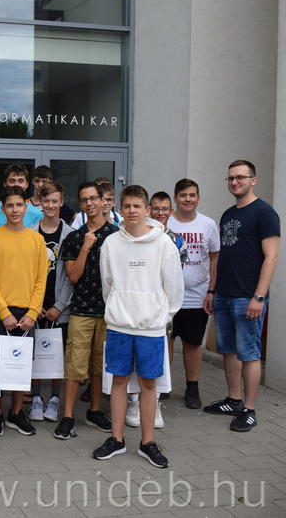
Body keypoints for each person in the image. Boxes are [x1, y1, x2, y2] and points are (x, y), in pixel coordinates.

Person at [92, 185, 183, 468]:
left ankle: (147, 443)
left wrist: (160, 317)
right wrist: (118, 309)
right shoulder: (111, 243)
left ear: (147, 210)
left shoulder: (163, 243)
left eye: (137, 206)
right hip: (119, 325)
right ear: (120, 209)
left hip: (151, 328)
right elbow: (107, 284)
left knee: (148, 384)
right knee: (118, 381)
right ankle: (117, 439)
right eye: (127, 206)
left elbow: (174, 287)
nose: (132, 211)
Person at [204, 160, 280, 432]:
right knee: (228, 349)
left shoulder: (264, 213)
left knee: (249, 353)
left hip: (248, 296)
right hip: (224, 293)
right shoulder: (228, 214)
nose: (234, 182)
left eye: (240, 177)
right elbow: (222, 256)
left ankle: (249, 410)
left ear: (253, 180)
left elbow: (271, 257)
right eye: (230, 178)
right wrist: (212, 290)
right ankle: (233, 401)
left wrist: (259, 296)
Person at [0, 186, 47, 437]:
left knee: (21, 366)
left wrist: (33, 312)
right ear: (2, 209)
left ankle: (16, 413)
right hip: (1, 312)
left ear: (26, 207)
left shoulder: (37, 240)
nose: (15, 210)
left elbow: (41, 279)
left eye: (19, 205)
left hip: (27, 313)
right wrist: (2, 311)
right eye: (10, 205)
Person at [54, 181, 118, 440]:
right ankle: (68, 416)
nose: (89, 203)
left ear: (103, 201)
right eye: (84, 200)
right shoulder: (74, 237)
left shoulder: (117, 235)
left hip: (109, 312)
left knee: (99, 366)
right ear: (80, 204)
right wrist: (85, 247)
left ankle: (94, 411)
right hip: (81, 311)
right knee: (74, 365)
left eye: (94, 198)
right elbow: (73, 276)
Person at [122, 190, 187, 429]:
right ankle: (134, 401)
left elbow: (174, 280)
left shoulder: (174, 240)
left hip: (158, 313)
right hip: (129, 313)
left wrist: (166, 312)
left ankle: (155, 402)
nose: (160, 212)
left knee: (156, 360)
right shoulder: (126, 236)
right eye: (156, 208)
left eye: (164, 209)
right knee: (131, 360)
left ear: (171, 211)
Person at [166, 179, 219, 410]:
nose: (188, 199)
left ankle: (192, 388)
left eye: (192, 195)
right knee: (166, 341)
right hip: (167, 296)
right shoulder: (165, 222)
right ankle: (163, 386)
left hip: (197, 295)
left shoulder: (208, 224)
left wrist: (211, 290)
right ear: (175, 198)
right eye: (183, 195)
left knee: (192, 343)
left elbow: (215, 259)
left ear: (198, 198)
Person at [28, 181, 75, 423]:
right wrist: (34, 305)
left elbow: (71, 276)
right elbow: (26, 273)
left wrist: (59, 305)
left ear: (61, 203)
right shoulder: (30, 233)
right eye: (46, 201)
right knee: (35, 352)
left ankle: (55, 399)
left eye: (54, 201)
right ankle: (36, 398)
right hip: (35, 305)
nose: (50, 205)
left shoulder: (70, 235)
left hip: (60, 305)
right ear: (41, 203)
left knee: (57, 354)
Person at [0, 164, 43, 234]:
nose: (16, 185)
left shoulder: (37, 214)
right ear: (5, 183)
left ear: (27, 184)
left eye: (21, 181)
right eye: (12, 181)